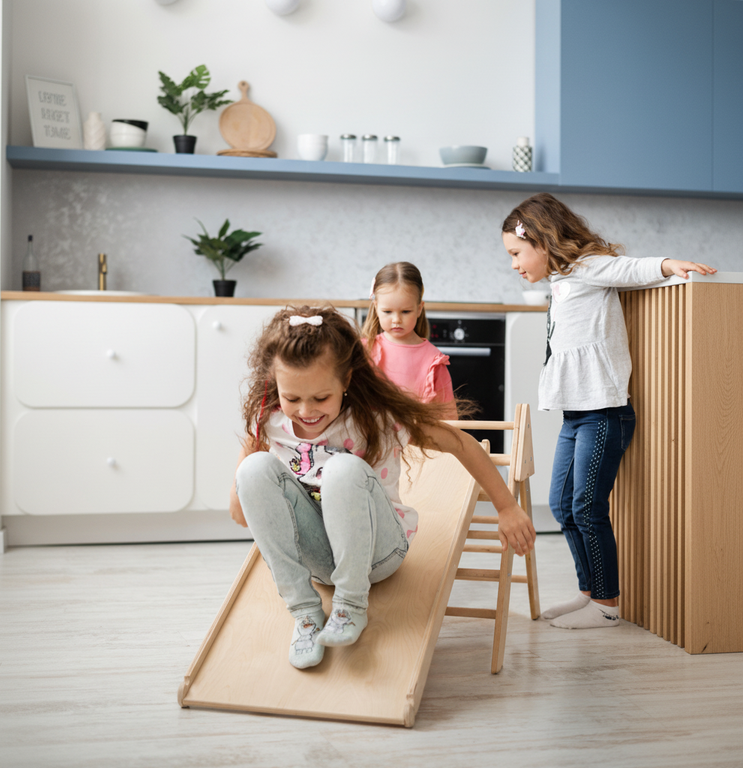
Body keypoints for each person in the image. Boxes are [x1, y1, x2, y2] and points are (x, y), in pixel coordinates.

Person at [229, 305, 535, 669]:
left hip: (377, 553)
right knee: (253, 468)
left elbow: (460, 443)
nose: (306, 410)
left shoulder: (374, 417)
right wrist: (250, 458)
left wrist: (506, 507)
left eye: (321, 397)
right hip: (318, 558)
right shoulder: (270, 420)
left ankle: (351, 606)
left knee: (341, 470)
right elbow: (241, 516)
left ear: (346, 381)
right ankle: (306, 615)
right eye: (291, 398)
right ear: (274, 384)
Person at [501, 192, 716, 629]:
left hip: (604, 413)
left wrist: (670, 265)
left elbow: (628, 268)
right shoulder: (561, 283)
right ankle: (588, 592)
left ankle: (608, 605)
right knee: (562, 505)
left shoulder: (587, 267)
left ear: (542, 241)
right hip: (575, 415)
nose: (514, 264)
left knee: (587, 507)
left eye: (517, 252)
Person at [362, 262, 457, 419]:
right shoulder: (364, 351)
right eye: (387, 311)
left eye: (406, 311)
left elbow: (449, 419)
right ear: (376, 307)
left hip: (419, 442)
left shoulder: (433, 361)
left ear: (419, 308)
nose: (396, 319)